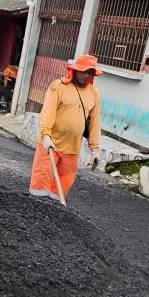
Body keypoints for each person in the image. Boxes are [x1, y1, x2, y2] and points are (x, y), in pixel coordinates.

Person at [29, 54, 102, 201]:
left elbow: (94, 122)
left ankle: (54, 209)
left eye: (90, 72)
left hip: (72, 147)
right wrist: (46, 135)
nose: (86, 75)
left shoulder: (94, 93)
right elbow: (47, 112)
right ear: (74, 70)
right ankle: (34, 204)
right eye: (83, 71)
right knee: (41, 179)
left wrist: (95, 149)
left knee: (63, 182)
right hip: (50, 143)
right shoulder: (58, 86)